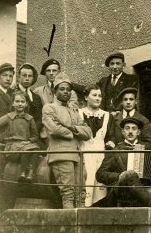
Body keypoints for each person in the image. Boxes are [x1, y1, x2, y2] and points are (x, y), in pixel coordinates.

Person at [42, 73, 92, 208]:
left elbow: (88, 132)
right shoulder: (49, 108)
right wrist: (75, 133)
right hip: (61, 154)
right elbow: (54, 129)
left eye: (69, 90)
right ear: (55, 91)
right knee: (68, 194)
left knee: (81, 194)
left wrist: (73, 128)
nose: (66, 92)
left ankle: (82, 227)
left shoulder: (74, 111)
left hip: (77, 155)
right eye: (62, 89)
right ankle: (71, 227)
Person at [96, 116, 151, 207]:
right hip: (122, 189)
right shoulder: (115, 151)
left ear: (138, 132)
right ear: (122, 132)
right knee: (130, 174)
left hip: (142, 187)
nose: (130, 131)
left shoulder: (146, 149)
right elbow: (100, 174)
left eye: (134, 129)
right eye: (127, 128)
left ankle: (148, 202)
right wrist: (120, 176)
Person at [0, 91, 41, 183]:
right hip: (12, 147)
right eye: (17, 101)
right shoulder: (9, 117)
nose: (20, 104)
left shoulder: (29, 118)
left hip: (26, 145)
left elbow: (35, 135)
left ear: (26, 104)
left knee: (36, 149)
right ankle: (22, 173)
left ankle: (30, 174)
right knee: (28, 150)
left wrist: (29, 141)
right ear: (13, 103)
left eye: (22, 101)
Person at [79, 85, 110, 207]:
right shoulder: (79, 114)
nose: (98, 98)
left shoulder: (107, 116)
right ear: (86, 97)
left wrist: (110, 141)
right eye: (94, 95)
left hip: (100, 156)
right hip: (84, 154)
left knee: (99, 185)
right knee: (86, 182)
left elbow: (111, 135)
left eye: (100, 96)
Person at [15, 63, 43, 137]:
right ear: (18, 77)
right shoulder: (12, 93)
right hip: (18, 135)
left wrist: (34, 133)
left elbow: (39, 118)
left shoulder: (37, 97)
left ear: (33, 78)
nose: (27, 78)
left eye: (30, 76)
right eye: (24, 75)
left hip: (34, 136)